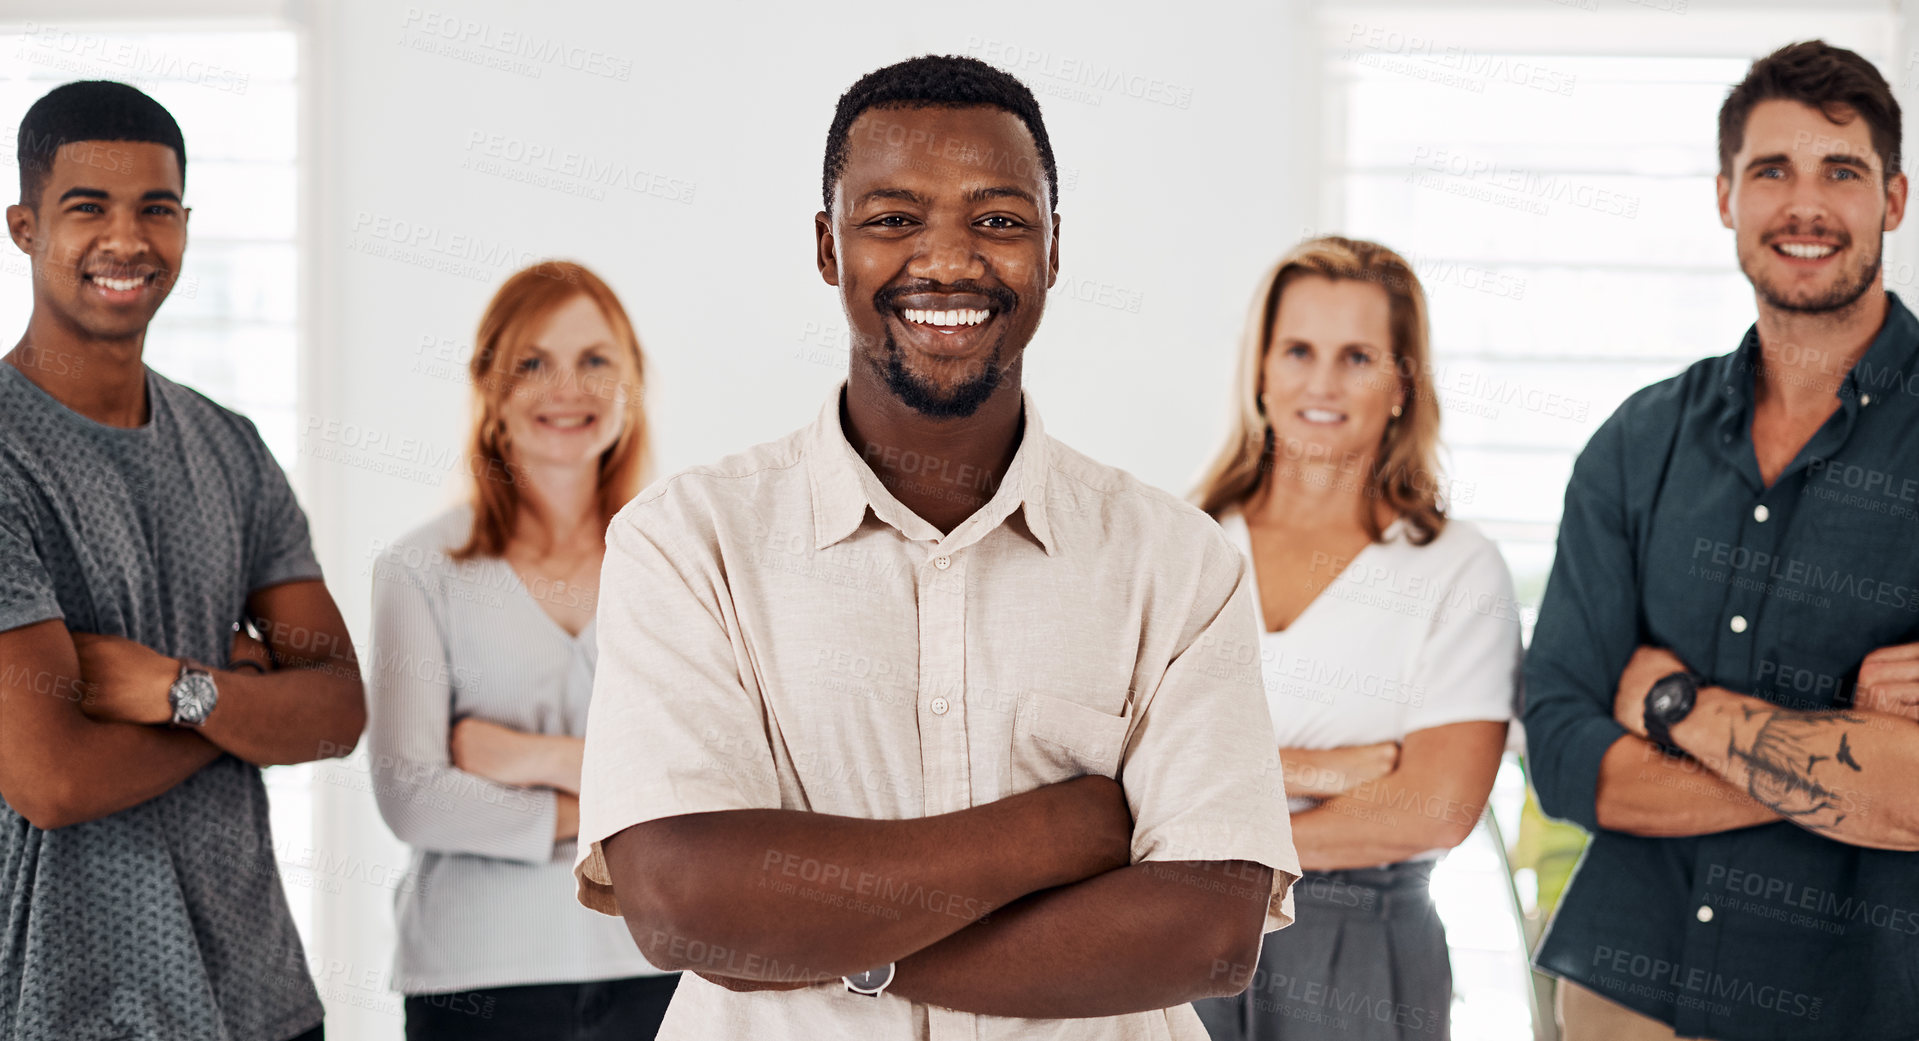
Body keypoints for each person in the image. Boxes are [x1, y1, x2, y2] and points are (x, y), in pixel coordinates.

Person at [569, 54, 1301, 1040]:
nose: (949, 262)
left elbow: (1204, 933)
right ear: (829, 249)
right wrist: (1050, 831)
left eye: (997, 220)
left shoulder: (1177, 563)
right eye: (892, 219)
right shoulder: (686, 542)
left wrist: (823, 943)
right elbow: (683, 903)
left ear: (1051, 250)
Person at [1524, 40, 1919, 1041]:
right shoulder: (1635, 441)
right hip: (1626, 989)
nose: (1803, 206)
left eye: (1840, 170)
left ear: (1894, 200)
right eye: (1768, 171)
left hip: (1863, 1002)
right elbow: (1565, 753)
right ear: (1721, 197)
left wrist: (1674, 706)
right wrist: (1840, 762)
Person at [0, 81, 363, 1041]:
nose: (128, 240)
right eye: (88, 209)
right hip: (68, 1007)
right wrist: (237, 705)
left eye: (156, 210)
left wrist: (173, 687)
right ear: (24, 227)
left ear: (187, 226)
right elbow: (50, 778)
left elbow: (338, 708)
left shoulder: (230, 445)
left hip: (260, 999)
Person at [1189, 238, 1519, 1041]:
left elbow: (1435, 805)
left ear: (1403, 381)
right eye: (1297, 349)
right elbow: (1119, 768)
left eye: (1358, 356)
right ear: (1260, 368)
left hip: (1357, 947)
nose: (1322, 383)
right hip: (1177, 932)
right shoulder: (1183, 545)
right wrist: (1327, 768)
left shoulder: (1455, 566)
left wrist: (1219, 841)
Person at [368, 261, 678, 1039]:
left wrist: (511, 752)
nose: (564, 388)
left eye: (594, 360)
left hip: (656, 966)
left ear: (631, 381)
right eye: (531, 362)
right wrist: (605, 808)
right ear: (491, 388)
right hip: (476, 979)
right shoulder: (417, 569)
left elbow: (711, 780)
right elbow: (410, 794)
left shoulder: (681, 564)